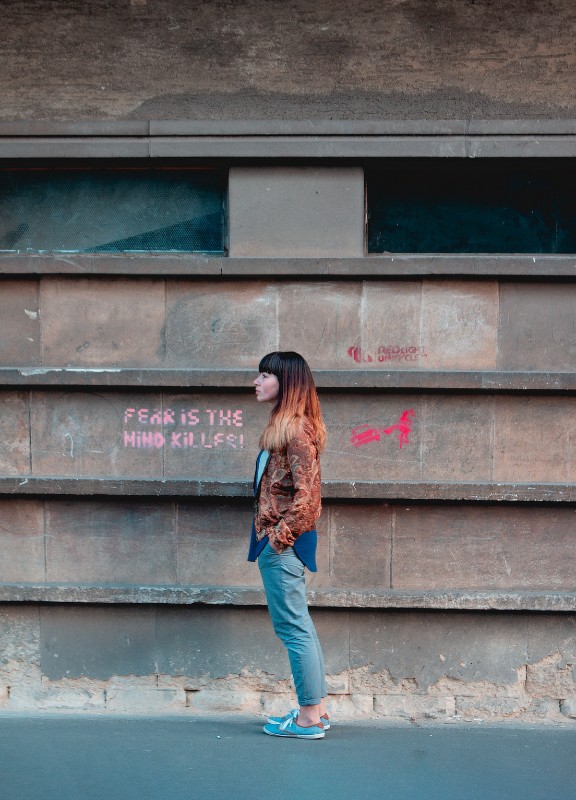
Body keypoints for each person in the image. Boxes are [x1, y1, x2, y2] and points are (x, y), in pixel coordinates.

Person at [248, 351, 330, 740]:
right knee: (301, 627)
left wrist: (276, 540)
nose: (257, 381)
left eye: (265, 375)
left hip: (283, 547)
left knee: (293, 627)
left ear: (287, 382)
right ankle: (317, 710)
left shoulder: (296, 430)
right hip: (279, 544)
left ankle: (309, 719)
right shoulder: (284, 428)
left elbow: (309, 498)